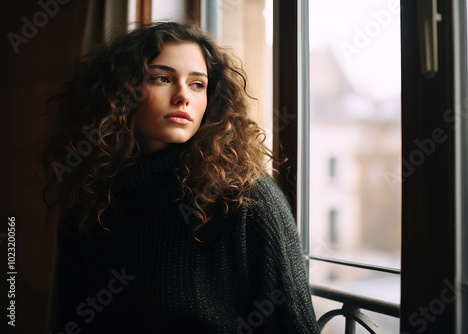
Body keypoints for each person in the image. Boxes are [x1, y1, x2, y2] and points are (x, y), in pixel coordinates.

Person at [40, 21, 320, 333]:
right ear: (121, 92)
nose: (182, 96)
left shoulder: (247, 198)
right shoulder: (89, 195)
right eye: (162, 78)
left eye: (198, 84)